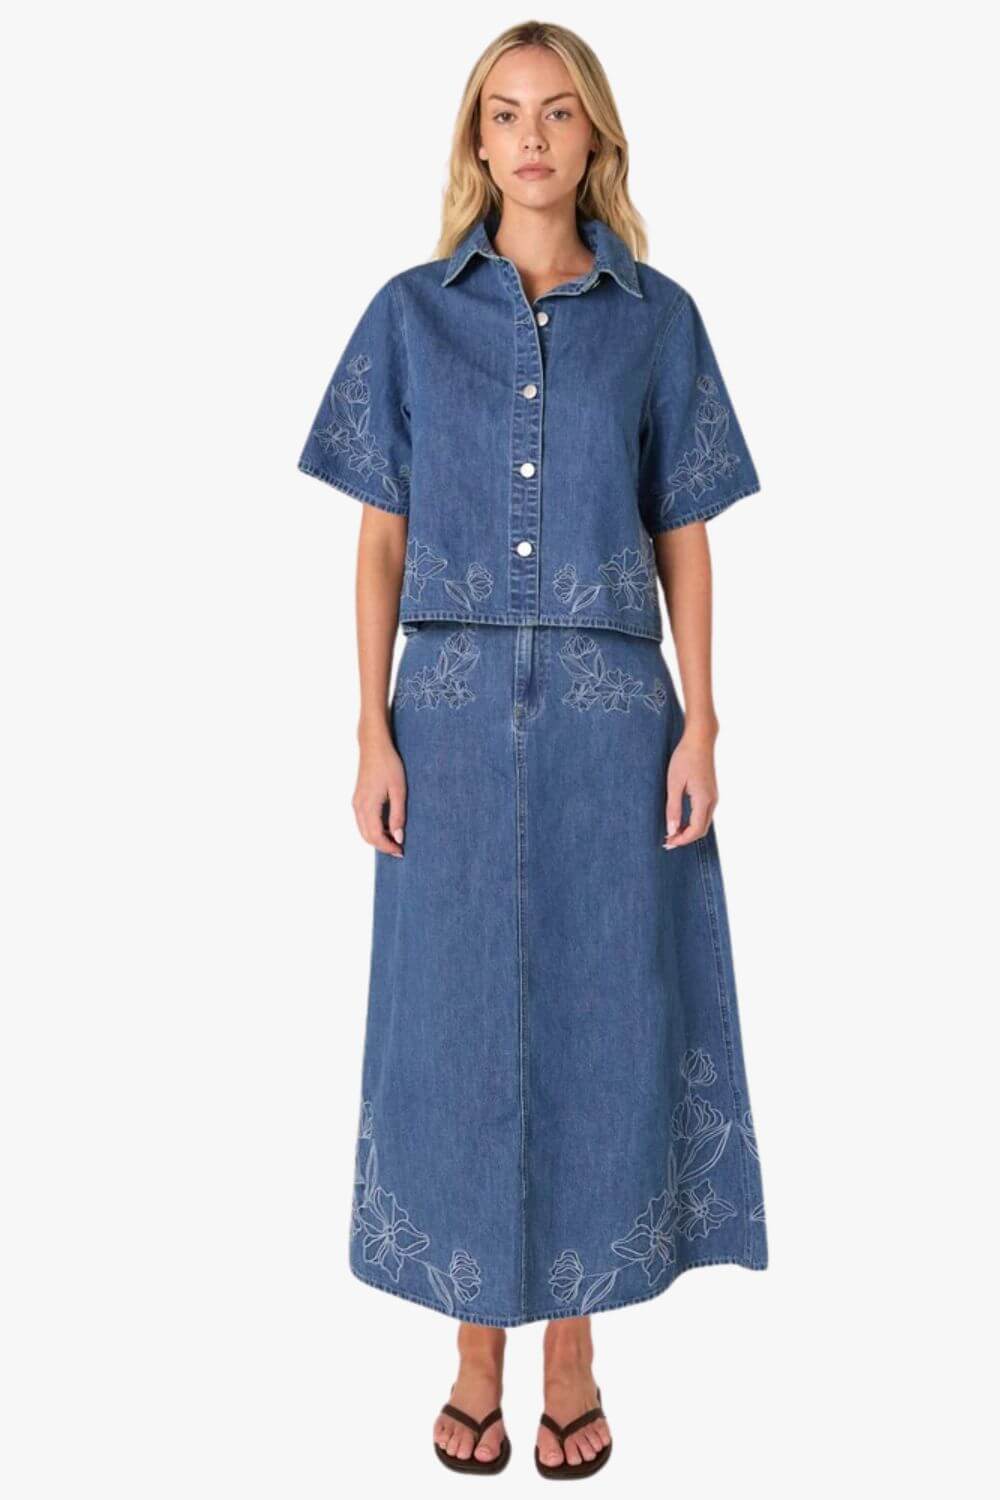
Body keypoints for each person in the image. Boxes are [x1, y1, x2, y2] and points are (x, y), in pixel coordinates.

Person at [296, 20, 768, 1479]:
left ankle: (571, 1352)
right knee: (449, 1032)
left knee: (605, 1024)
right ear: (477, 142)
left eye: (558, 113)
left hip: (613, 727)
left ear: (594, 135)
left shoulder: (660, 320)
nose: (532, 139)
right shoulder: (406, 315)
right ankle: (469, 1348)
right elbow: (379, 543)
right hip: (442, 723)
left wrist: (704, 719)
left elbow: (683, 535)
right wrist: (368, 725)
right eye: (505, 115)